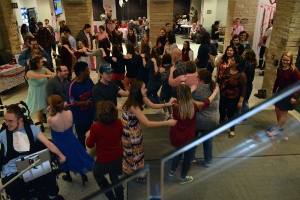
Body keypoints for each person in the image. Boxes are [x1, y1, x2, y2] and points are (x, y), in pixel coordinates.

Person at [0, 104, 66, 200]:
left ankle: (52, 197)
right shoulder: (3, 134)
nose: (7, 124)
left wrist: (61, 155)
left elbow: (48, 144)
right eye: (6, 120)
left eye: (10, 121)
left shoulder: (32, 129)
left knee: (49, 175)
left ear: (20, 120)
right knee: (14, 189)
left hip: (31, 166)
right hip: (13, 173)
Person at [122, 80, 177, 182]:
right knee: (135, 153)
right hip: (131, 134)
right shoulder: (133, 105)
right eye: (144, 88)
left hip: (134, 129)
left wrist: (167, 104)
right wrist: (166, 123)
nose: (146, 89)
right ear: (138, 90)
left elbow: (153, 105)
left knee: (136, 152)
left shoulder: (140, 98)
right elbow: (148, 123)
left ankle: (132, 170)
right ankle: (137, 175)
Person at [168, 84, 219, 184]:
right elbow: (207, 102)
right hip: (189, 137)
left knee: (177, 154)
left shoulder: (175, 105)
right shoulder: (194, 106)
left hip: (176, 135)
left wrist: (189, 91)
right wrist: (215, 92)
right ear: (188, 94)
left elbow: (180, 99)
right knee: (187, 158)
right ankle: (183, 178)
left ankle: (172, 171)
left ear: (179, 94)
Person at [47, 95, 94, 185]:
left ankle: (68, 176)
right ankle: (83, 175)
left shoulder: (51, 119)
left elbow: (50, 121)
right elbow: (65, 106)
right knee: (77, 157)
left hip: (59, 143)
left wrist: (50, 111)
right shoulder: (69, 113)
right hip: (71, 139)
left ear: (52, 106)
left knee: (63, 159)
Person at [86, 101, 124, 200]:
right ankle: (120, 196)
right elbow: (119, 136)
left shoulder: (95, 127)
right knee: (114, 176)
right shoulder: (119, 122)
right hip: (117, 156)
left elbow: (90, 145)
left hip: (103, 160)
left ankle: (110, 196)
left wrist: (87, 136)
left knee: (97, 174)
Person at [267, 51, 300, 137]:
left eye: (287, 60)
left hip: (288, 93)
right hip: (280, 91)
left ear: (290, 60)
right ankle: (279, 126)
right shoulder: (279, 69)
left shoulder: (294, 70)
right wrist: (274, 91)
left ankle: (277, 130)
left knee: (283, 112)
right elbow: (277, 80)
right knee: (277, 109)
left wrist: (294, 97)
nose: (285, 62)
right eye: (284, 60)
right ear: (281, 59)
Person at [191, 69, 220, 166]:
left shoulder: (197, 89)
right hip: (212, 119)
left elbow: (187, 102)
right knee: (208, 141)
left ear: (201, 80)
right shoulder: (215, 88)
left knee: (193, 139)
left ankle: (191, 158)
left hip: (197, 120)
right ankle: (208, 161)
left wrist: (190, 90)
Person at [66, 61, 94, 147]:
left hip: (91, 117)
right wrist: (85, 103)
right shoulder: (71, 86)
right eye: (87, 70)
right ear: (82, 73)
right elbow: (71, 102)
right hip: (79, 121)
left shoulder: (89, 81)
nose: (89, 72)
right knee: (80, 143)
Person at [219, 54, 247, 138]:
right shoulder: (227, 69)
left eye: (233, 60)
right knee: (222, 110)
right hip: (223, 95)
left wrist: (241, 101)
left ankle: (232, 130)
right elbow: (223, 80)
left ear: (237, 64)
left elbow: (244, 89)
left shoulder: (241, 75)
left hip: (233, 98)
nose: (230, 61)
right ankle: (221, 124)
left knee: (231, 114)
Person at [25, 56, 56, 132]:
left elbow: (52, 73)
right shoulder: (29, 73)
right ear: (37, 64)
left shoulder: (44, 69)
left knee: (49, 107)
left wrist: (53, 74)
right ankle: (41, 124)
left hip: (45, 90)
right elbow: (37, 76)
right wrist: (48, 76)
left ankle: (51, 123)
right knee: (39, 110)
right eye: (41, 62)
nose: (43, 63)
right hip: (36, 93)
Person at [237, 50, 257, 124]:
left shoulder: (250, 66)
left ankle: (244, 119)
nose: (242, 55)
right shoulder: (246, 64)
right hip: (245, 86)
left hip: (247, 87)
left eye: (244, 54)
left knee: (244, 102)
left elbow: (250, 79)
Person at [159, 53, 173, 120]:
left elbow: (163, 78)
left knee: (161, 99)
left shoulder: (162, 68)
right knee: (168, 101)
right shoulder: (172, 66)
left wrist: (162, 72)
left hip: (165, 87)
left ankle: (166, 113)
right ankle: (171, 114)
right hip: (171, 87)